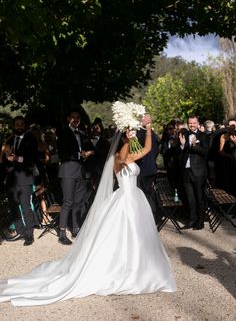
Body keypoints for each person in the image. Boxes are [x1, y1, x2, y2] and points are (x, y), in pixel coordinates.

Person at [0, 114, 176, 306]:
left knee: (139, 236)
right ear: (121, 141)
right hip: (124, 199)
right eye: (125, 139)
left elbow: (148, 149)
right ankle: (123, 269)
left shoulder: (132, 156)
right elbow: (124, 156)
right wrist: (128, 138)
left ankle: (141, 268)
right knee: (125, 235)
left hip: (136, 198)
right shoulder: (118, 159)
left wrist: (149, 127)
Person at [57, 110, 94, 245]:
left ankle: (75, 228)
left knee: (78, 201)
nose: (76, 119)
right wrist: (81, 155)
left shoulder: (82, 134)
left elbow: (90, 147)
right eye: (73, 117)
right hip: (67, 171)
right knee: (68, 201)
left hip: (80, 171)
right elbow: (63, 153)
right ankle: (61, 234)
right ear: (68, 118)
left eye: (78, 117)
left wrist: (90, 152)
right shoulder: (62, 133)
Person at [1, 116, 38, 246]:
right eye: (17, 124)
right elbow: (5, 161)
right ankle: (20, 231)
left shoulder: (31, 140)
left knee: (26, 207)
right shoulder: (9, 141)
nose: (19, 126)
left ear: (25, 126)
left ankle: (29, 235)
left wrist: (16, 158)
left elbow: (31, 159)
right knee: (13, 207)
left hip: (25, 178)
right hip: (11, 181)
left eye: (21, 124)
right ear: (13, 126)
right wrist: (6, 157)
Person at [179, 115, 209, 230]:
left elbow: (206, 152)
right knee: (190, 198)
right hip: (186, 172)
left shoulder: (203, 136)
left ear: (198, 123)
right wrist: (182, 145)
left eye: (194, 123)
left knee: (199, 198)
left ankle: (200, 221)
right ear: (188, 123)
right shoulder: (184, 135)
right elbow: (179, 153)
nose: (192, 125)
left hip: (199, 172)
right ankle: (192, 220)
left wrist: (194, 145)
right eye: (190, 123)